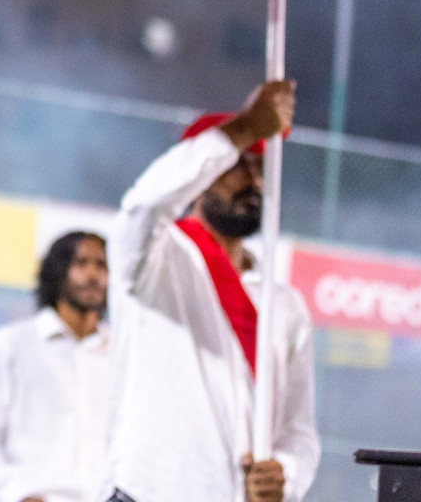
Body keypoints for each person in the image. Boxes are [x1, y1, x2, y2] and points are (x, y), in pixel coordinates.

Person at [104, 80, 319, 502]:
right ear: (199, 177)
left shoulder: (286, 305)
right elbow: (145, 204)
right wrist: (243, 128)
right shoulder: (154, 259)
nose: (253, 179)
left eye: (260, 168)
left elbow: (299, 429)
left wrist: (286, 476)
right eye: (238, 164)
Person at [0, 231, 110, 502]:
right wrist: (20, 494)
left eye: (102, 265)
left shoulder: (120, 353)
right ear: (57, 272)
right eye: (81, 263)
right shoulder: (12, 343)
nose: (93, 275)